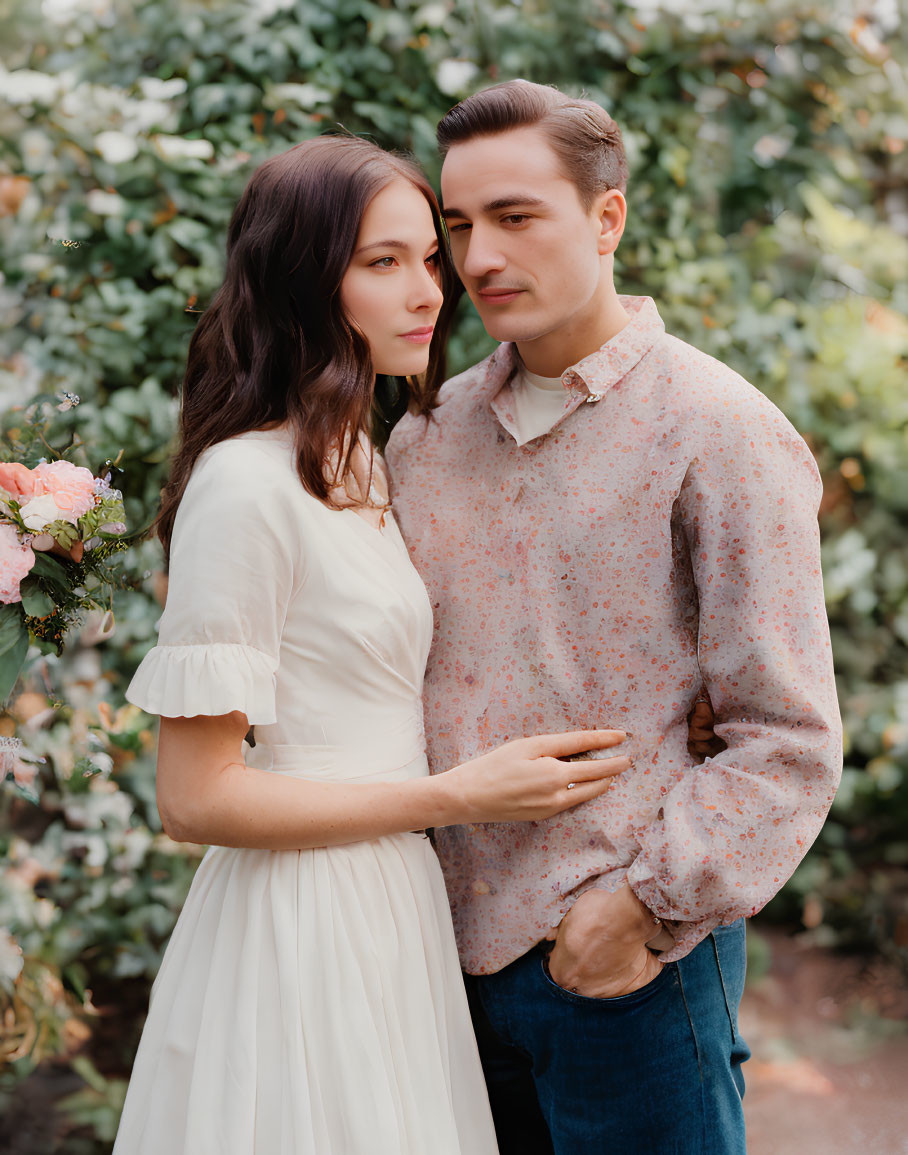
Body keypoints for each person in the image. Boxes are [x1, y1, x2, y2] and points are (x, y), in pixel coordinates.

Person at [111, 134, 635, 1155]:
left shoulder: (369, 455)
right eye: (380, 262)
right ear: (303, 282)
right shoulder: (245, 484)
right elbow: (193, 796)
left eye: (426, 257)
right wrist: (455, 797)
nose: (428, 290)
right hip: (302, 921)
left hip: (394, 905)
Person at [386, 80, 843, 1154]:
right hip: (432, 970)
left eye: (514, 216)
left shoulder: (719, 431)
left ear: (606, 219)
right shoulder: (427, 434)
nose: (478, 257)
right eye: (457, 226)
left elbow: (786, 736)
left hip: (622, 970)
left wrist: (638, 906)